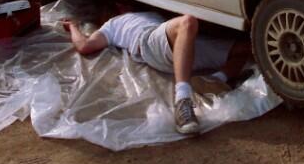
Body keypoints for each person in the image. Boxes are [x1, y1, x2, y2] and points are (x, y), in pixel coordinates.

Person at [62, 10, 250, 135]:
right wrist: (73, 26)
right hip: (150, 44)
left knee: (247, 48)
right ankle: (182, 101)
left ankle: (214, 80)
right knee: (187, 22)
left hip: (182, 45)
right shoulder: (110, 26)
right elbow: (84, 46)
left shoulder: (150, 10)